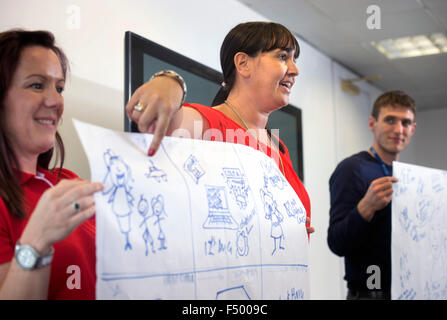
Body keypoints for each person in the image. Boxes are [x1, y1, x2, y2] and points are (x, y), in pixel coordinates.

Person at [125, 21, 314, 235]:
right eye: (282, 57)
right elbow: (152, 120)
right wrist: (171, 82)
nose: (295, 70)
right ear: (243, 64)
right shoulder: (208, 125)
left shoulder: (280, 148)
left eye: (294, 59)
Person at [0, 29, 103, 299]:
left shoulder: (67, 181)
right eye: (37, 85)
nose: (56, 101)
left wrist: (169, 84)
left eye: (59, 88)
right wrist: (35, 243)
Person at [327, 90, 417, 299]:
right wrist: (366, 207)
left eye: (405, 123)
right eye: (390, 120)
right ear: (372, 123)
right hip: (370, 290)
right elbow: (336, 242)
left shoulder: (409, 178)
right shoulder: (351, 169)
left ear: (413, 129)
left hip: (409, 289)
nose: (398, 129)